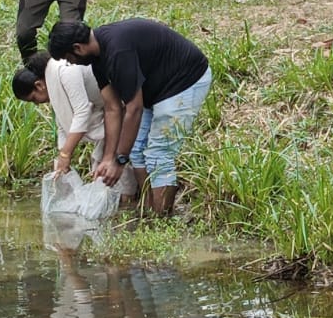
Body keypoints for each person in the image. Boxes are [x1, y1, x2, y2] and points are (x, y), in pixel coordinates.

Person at [48, 19, 212, 217]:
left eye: (70, 59)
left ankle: (161, 219)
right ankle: (149, 210)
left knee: (159, 154)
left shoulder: (117, 51)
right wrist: (109, 158)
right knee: (135, 151)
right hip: (156, 91)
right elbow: (112, 107)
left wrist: (119, 161)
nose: (71, 64)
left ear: (77, 48)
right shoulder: (97, 58)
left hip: (184, 81)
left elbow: (134, 108)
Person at [11, 51, 136, 196]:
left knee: (113, 165)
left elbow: (82, 112)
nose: (37, 104)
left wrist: (66, 155)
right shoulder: (53, 81)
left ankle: (132, 199)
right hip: (111, 111)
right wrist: (61, 158)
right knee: (102, 172)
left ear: (39, 85)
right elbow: (62, 124)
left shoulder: (65, 71)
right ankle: (122, 203)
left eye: (33, 99)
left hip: (126, 105)